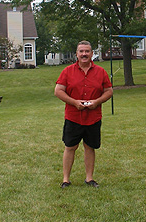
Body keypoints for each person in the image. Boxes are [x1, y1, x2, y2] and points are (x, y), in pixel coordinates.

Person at [55, 40, 113, 188]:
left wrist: (97, 102)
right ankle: (66, 179)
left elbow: (109, 91)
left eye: (87, 51)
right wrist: (74, 102)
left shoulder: (101, 72)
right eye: (81, 51)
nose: (84, 54)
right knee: (70, 147)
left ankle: (89, 178)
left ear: (92, 54)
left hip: (93, 117)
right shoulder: (67, 71)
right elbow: (58, 91)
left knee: (90, 147)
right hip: (73, 116)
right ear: (77, 54)